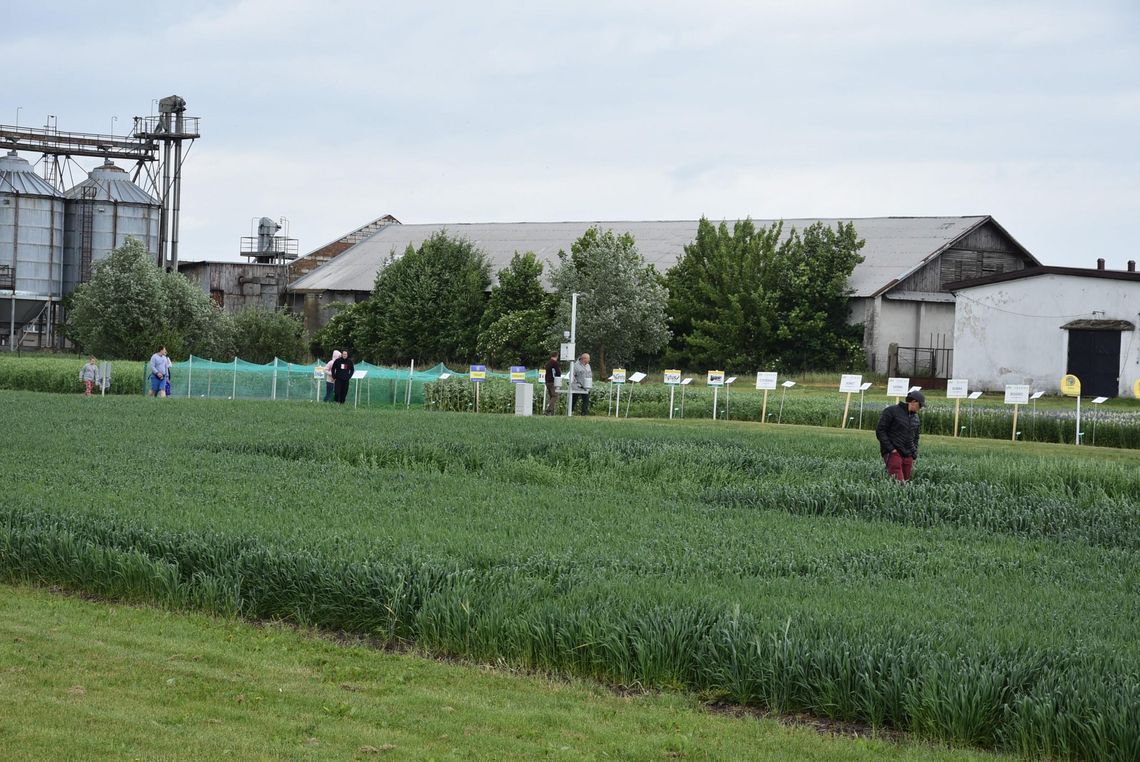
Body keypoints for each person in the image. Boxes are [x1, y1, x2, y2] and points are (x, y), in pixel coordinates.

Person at [876, 390, 924, 482]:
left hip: (908, 454)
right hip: (893, 453)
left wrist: (914, 454)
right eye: (920, 405)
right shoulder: (891, 411)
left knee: (906, 481)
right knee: (898, 483)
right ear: (913, 402)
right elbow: (880, 431)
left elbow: (916, 437)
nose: (920, 408)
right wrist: (891, 449)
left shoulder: (916, 418)